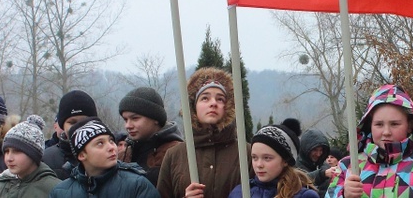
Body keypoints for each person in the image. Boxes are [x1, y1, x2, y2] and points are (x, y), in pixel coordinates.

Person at [326, 84, 413, 198]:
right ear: (370, 126)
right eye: (379, 124)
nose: (386, 132)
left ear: (409, 126)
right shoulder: (347, 166)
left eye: (394, 124)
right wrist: (344, 195)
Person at [157, 67, 248, 198]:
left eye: (220, 99)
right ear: (194, 106)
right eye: (205, 98)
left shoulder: (245, 153)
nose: (213, 103)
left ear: (228, 107)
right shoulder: (174, 155)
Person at [49, 116, 160, 197]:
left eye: (111, 141)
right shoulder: (61, 193)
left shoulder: (137, 185)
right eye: (100, 143)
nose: (111, 147)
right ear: (82, 155)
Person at [228, 118, 318, 198]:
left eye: (267, 158)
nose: (259, 165)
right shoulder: (240, 192)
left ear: (285, 160)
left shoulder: (303, 195)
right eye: (254, 157)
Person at [119, 86, 184, 185]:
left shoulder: (176, 153)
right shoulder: (123, 155)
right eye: (125, 119)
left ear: (155, 119)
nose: (128, 125)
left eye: (135, 118)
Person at [0, 115, 61, 196]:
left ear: (33, 154)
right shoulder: (1, 185)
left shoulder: (55, 190)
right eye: (6, 151)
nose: (9, 158)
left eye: (17, 151)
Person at [42, 89, 99, 179]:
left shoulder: (107, 153)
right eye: (72, 122)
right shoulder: (47, 159)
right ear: (62, 126)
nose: (79, 127)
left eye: (85, 121)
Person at [296, 127, 331, 197]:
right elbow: (299, 180)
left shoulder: (323, 165)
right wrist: (322, 174)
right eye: (315, 150)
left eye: (321, 150)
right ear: (306, 149)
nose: (318, 154)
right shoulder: (295, 165)